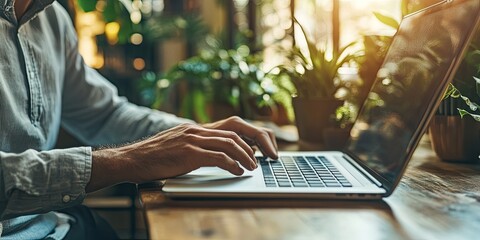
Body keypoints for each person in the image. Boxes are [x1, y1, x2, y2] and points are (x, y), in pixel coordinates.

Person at [0, 0, 278, 239]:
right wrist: (128, 160)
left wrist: (197, 135)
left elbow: (106, 115)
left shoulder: (51, 19)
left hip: (52, 223)